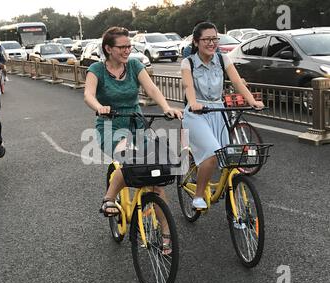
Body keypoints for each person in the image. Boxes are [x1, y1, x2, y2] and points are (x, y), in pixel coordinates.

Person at [84, 27, 182, 253]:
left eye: (129, 46)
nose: (128, 50)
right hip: (111, 125)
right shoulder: (96, 69)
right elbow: (88, 94)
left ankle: (166, 231)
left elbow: (151, 89)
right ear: (108, 49)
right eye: (122, 47)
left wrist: (166, 107)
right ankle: (109, 198)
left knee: (156, 175)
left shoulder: (135, 65)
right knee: (130, 159)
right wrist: (99, 107)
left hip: (137, 122)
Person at [181, 22, 264, 209]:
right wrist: (193, 103)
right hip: (197, 114)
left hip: (219, 112)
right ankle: (198, 196)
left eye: (214, 39)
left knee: (229, 157)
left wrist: (251, 101)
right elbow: (188, 86)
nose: (212, 43)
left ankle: (234, 203)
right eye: (206, 39)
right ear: (196, 42)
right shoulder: (188, 62)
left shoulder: (223, 59)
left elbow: (236, 82)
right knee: (211, 154)